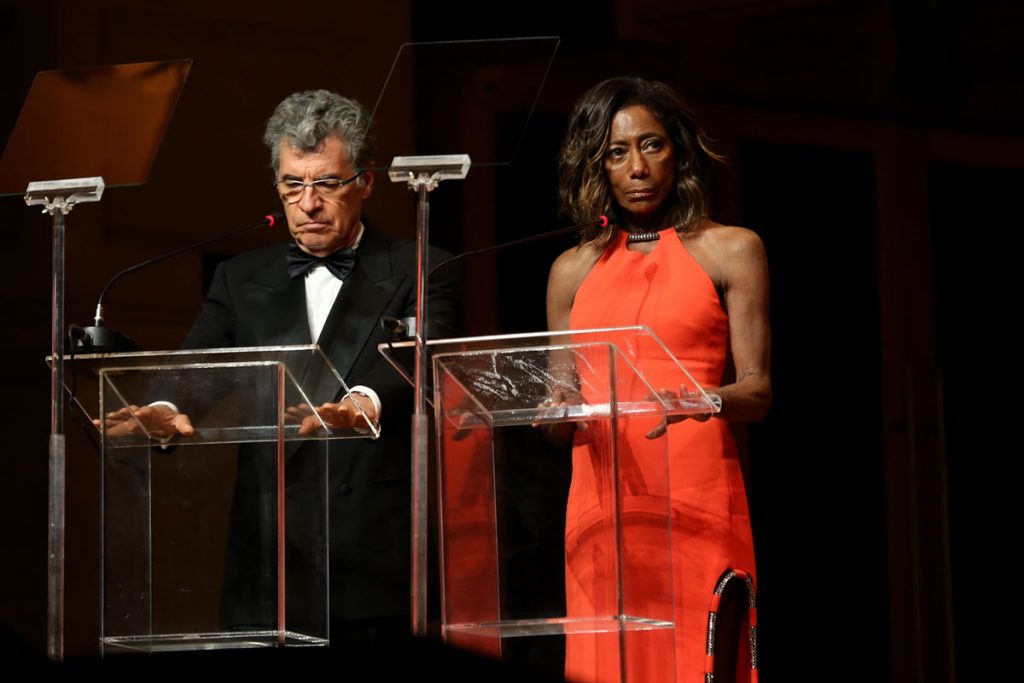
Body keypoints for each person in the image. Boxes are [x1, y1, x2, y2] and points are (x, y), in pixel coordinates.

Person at [100, 89, 458, 642]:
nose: (309, 203)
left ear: (365, 181)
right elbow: (196, 367)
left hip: (374, 557)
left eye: (327, 183)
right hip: (267, 560)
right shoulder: (239, 279)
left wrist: (362, 402)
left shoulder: (422, 268)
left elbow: (427, 365)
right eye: (294, 185)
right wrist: (163, 409)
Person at [545, 77, 771, 682]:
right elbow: (558, 406)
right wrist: (539, 413)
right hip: (600, 501)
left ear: (680, 152)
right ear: (597, 164)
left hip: (697, 490)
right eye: (617, 152)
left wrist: (706, 398)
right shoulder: (571, 269)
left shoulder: (732, 250)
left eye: (652, 146)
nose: (637, 167)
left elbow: (759, 390)